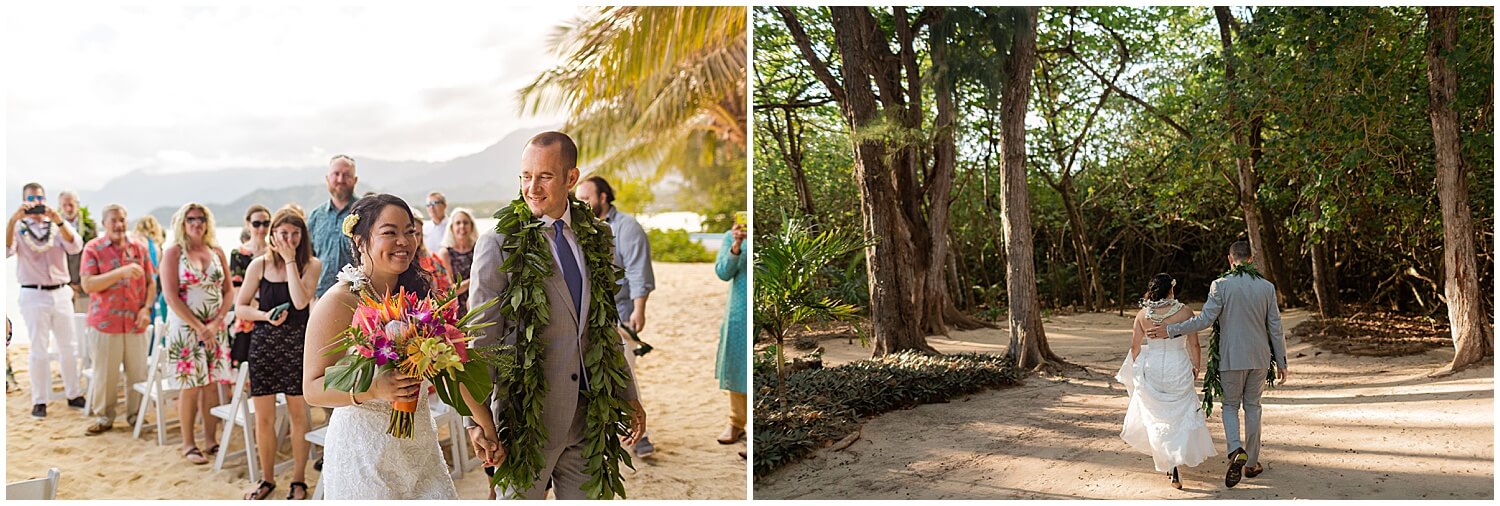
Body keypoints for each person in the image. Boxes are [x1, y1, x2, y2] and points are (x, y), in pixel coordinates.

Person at [463, 132, 645, 499]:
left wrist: (628, 392)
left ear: (571, 178)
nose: (532, 188)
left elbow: (603, 325)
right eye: (525, 176)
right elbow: (481, 340)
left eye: (544, 176)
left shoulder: (598, 236)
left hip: (590, 418)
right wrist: (475, 421)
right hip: (525, 423)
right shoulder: (498, 241)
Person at [302, 194, 458, 499]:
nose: (404, 241)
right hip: (364, 454)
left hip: (420, 445)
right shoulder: (339, 301)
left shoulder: (418, 295)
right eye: (389, 232)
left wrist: (479, 423)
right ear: (361, 241)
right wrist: (373, 389)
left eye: (410, 231)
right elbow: (312, 388)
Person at [1148, 240, 1288, 488]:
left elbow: (1204, 320)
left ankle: (1236, 449)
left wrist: (1171, 330)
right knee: (1254, 407)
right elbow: (1275, 327)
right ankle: (1251, 463)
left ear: (1229, 259)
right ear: (1251, 260)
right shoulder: (1266, 288)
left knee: (1231, 406)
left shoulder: (1220, 285)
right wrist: (1282, 360)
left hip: (1231, 358)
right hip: (1259, 359)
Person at [237, 207, 320, 500]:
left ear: (303, 235)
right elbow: (240, 306)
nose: (289, 238)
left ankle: (298, 480)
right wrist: (263, 315)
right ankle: (267, 479)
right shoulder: (257, 266)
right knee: (264, 419)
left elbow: (299, 303)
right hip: (264, 346)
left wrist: (289, 262)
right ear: (272, 234)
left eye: (295, 233)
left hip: (297, 347)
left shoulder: (311, 264)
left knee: (300, 416)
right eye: (283, 233)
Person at [574, 175, 658, 457]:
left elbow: (638, 271)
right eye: (579, 198)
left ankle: (639, 435)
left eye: (587, 198)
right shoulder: (579, 226)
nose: (582, 203)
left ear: (603, 197)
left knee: (626, 372)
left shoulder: (627, 227)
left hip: (620, 313)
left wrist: (639, 309)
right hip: (588, 317)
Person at [1118, 273, 1214, 489]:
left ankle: (1170, 464)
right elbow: (1194, 344)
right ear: (1171, 289)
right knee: (1179, 414)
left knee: (1157, 417)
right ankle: (1175, 459)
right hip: (1177, 366)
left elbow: (1134, 347)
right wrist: (1197, 366)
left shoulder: (1142, 315)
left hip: (1153, 368)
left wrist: (1136, 368)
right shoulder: (1185, 312)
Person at [160, 202, 233, 465]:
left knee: (211, 385)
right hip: (186, 329)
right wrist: (199, 326)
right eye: (191, 219)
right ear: (182, 222)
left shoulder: (217, 251)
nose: (196, 223)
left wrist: (216, 323)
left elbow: (228, 291)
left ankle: (210, 440)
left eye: (201, 218)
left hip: (215, 328)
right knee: (190, 387)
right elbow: (170, 296)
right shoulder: (173, 253)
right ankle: (188, 443)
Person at [7, 182, 86, 418]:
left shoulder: (56, 226)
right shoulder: (19, 228)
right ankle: (39, 400)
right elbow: (5, 250)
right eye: (31, 199)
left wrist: (58, 220)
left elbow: (76, 247)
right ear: (24, 200)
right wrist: (13, 219)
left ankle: (74, 394)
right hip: (33, 293)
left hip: (61, 291)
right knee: (38, 350)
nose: (36, 203)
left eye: (40, 198)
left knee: (68, 346)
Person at [79, 204, 156, 435]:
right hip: (104, 323)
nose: (119, 224)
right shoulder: (93, 248)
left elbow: (152, 283)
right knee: (105, 374)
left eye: (122, 219)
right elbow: (88, 284)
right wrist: (120, 273)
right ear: (104, 223)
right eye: (113, 220)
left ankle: (136, 416)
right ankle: (104, 417)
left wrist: (147, 309)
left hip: (136, 321)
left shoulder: (139, 248)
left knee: (138, 373)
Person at [714, 220, 748, 450]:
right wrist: (736, 244)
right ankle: (736, 422)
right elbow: (723, 272)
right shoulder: (731, 236)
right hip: (738, 311)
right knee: (736, 365)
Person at [309, 155, 358, 298]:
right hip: (320, 297)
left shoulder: (367, 213)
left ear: (355, 180)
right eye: (336, 174)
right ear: (327, 178)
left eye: (346, 175)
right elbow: (307, 258)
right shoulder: (315, 217)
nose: (340, 179)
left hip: (357, 297)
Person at [228, 205, 271, 366]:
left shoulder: (276, 252)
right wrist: (259, 310)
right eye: (256, 224)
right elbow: (237, 292)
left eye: (266, 223)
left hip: (273, 317)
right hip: (248, 317)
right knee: (244, 369)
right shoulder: (238, 254)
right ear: (248, 225)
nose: (261, 228)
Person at [59, 190, 98, 314]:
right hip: (63, 286)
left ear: (78, 204)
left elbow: (95, 257)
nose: (68, 209)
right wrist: (69, 284)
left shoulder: (90, 226)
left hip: (85, 287)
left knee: (85, 325)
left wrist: (82, 284)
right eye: (64, 205)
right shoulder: (53, 227)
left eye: (71, 205)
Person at [435, 208, 477, 314]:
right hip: (456, 310)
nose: (462, 226)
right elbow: (450, 291)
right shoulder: (445, 253)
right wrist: (474, 280)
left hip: (478, 306)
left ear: (471, 226)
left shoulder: (478, 248)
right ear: (452, 228)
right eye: (458, 223)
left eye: (465, 222)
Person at [412, 214, 453, 297]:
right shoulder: (396, 261)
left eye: (418, 234)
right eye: (411, 233)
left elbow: (447, 288)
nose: (414, 238)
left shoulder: (433, 259)